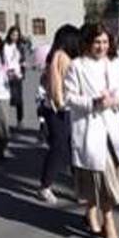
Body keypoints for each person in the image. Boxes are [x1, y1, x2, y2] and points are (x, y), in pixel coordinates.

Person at [64, 23, 119, 238]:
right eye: (97, 42)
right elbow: (69, 97)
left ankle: (95, 213)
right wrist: (93, 102)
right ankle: (107, 221)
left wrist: (116, 100)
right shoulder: (77, 66)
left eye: (104, 42)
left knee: (107, 176)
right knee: (96, 176)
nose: (101, 46)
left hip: (111, 126)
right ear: (88, 43)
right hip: (90, 127)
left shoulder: (114, 63)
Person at [37, 25, 81, 204]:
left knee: (71, 148)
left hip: (61, 108)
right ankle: (45, 186)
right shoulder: (60, 56)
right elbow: (56, 84)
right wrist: (60, 102)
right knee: (59, 147)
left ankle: (79, 187)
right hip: (58, 109)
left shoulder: (60, 56)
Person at [3, 26, 26, 129]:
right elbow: (3, 59)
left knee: (19, 99)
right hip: (6, 73)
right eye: (13, 34)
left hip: (17, 74)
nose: (15, 37)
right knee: (6, 98)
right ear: (9, 34)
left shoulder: (20, 46)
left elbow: (22, 59)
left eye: (17, 35)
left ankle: (20, 120)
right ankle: (5, 121)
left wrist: (23, 68)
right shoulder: (4, 45)